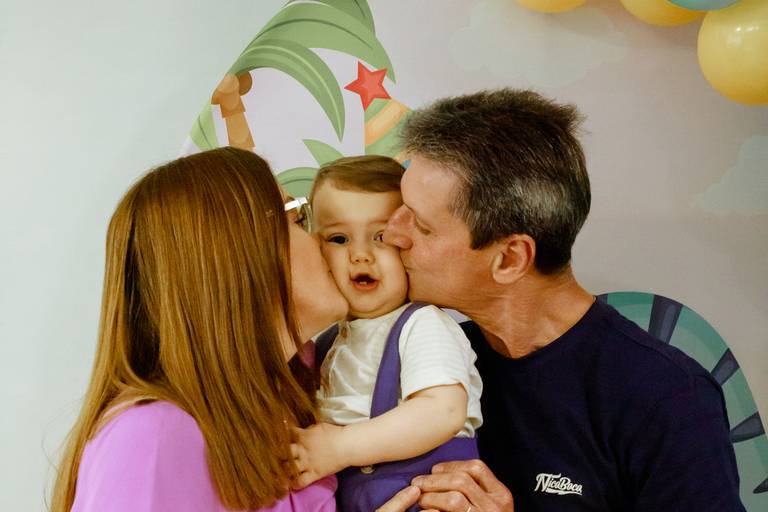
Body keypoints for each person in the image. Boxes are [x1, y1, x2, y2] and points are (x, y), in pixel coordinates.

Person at [378, 89, 745, 511]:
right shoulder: (426, 361)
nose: (392, 233)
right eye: (400, 208)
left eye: (422, 226)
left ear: (510, 259)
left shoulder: (667, 397)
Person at [50, 147, 348, 512]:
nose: (322, 239)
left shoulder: (303, 394)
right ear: (238, 254)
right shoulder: (150, 436)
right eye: (297, 218)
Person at [290, 156, 483, 512]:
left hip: (424, 496)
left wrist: (339, 447)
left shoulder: (423, 325)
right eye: (339, 238)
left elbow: (443, 410)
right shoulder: (327, 341)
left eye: (381, 237)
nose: (360, 255)